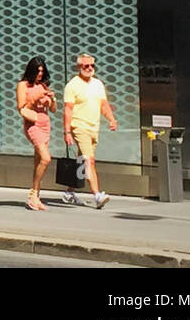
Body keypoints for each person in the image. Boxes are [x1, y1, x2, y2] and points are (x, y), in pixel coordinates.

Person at [63, 53, 117, 209]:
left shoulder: (98, 84)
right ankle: (97, 194)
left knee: (81, 161)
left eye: (92, 65)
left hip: (94, 127)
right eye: (86, 65)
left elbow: (104, 105)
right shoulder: (72, 85)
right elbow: (68, 110)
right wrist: (67, 131)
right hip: (79, 127)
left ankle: (69, 192)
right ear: (79, 67)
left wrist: (111, 119)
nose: (89, 68)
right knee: (89, 160)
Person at [16, 56, 55, 210]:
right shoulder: (23, 85)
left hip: (45, 123)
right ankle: (33, 193)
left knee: (38, 161)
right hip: (33, 124)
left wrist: (51, 100)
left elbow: (53, 109)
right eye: (37, 71)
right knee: (46, 159)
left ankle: (36, 196)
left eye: (42, 71)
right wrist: (35, 98)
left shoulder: (43, 85)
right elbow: (21, 107)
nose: (40, 74)